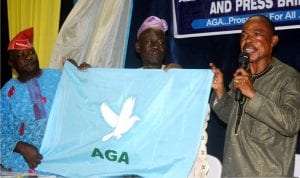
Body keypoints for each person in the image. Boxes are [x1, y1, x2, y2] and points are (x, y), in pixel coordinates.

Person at [210, 15, 300, 177]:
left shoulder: (289, 78)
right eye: (244, 35)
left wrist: (252, 94)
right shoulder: (243, 76)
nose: (248, 41)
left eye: (256, 34)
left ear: (273, 41)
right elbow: (230, 117)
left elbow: (291, 123)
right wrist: (220, 90)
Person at [0, 27, 86, 174]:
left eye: (31, 52)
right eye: (21, 55)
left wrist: (84, 75)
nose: (29, 57)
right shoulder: (7, 93)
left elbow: (84, 101)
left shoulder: (58, 77)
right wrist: (21, 147)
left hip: (63, 160)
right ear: (12, 64)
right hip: (24, 165)